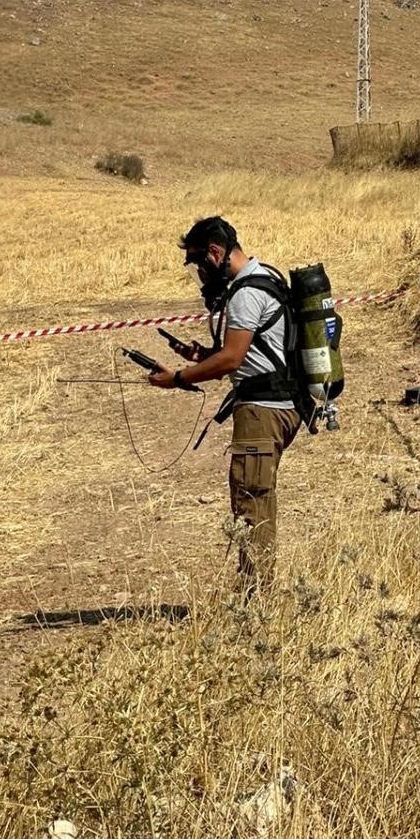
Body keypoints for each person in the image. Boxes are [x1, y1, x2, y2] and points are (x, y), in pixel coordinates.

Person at [147, 216, 301, 591]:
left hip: (262, 411)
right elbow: (247, 352)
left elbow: (232, 360)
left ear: (215, 253)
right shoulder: (265, 275)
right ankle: (257, 593)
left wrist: (179, 378)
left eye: (201, 264)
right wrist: (203, 355)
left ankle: (255, 600)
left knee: (251, 505)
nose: (201, 273)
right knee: (259, 501)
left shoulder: (247, 292)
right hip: (277, 404)